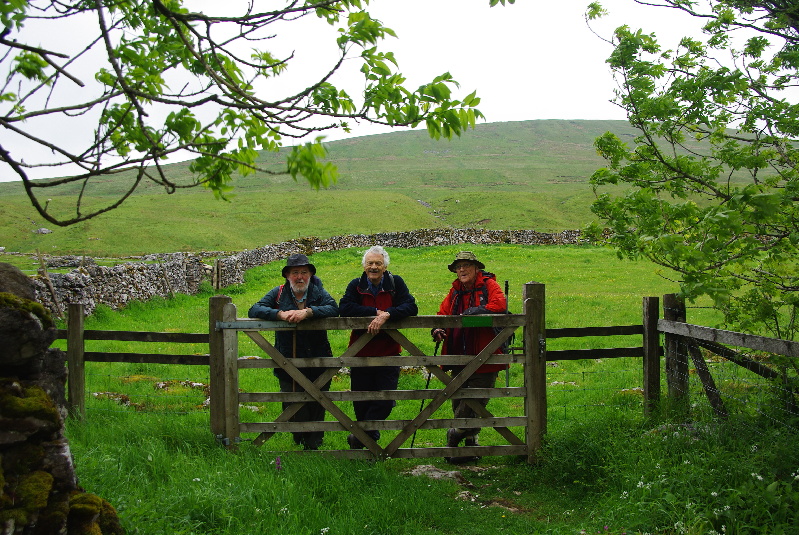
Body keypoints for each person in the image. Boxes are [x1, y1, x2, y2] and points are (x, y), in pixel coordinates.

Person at [248, 253, 339, 450]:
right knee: (291, 398)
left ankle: (314, 444)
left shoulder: (318, 292)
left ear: (310, 275)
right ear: (288, 275)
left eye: (304, 272)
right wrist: (279, 314)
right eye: (295, 272)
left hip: (318, 357)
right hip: (287, 359)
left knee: (318, 400)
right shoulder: (279, 293)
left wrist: (309, 312)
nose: (300, 277)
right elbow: (254, 309)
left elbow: (333, 308)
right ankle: (298, 436)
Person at [432, 251, 508, 463]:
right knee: (458, 399)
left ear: (477, 269)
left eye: (466, 265)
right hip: (457, 353)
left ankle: (455, 435)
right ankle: (469, 446)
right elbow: (442, 315)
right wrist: (438, 330)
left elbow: (500, 306)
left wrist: (479, 311)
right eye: (458, 267)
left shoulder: (489, 285)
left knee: (477, 400)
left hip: (486, 355)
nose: (462, 270)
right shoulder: (455, 291)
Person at [339, 245, 418, 449]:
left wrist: (388, 314)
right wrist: (374, 311)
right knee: (361, 400)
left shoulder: (395, 282)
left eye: (378, 263)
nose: (373, 267)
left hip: (388, 352)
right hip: (360, 353)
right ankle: (366, 447)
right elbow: (345, 307)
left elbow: (411, 306)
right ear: (364, 266)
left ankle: (361, 438)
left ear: (385, 266)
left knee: (386, 398)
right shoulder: (356, 284)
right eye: (370, 263)